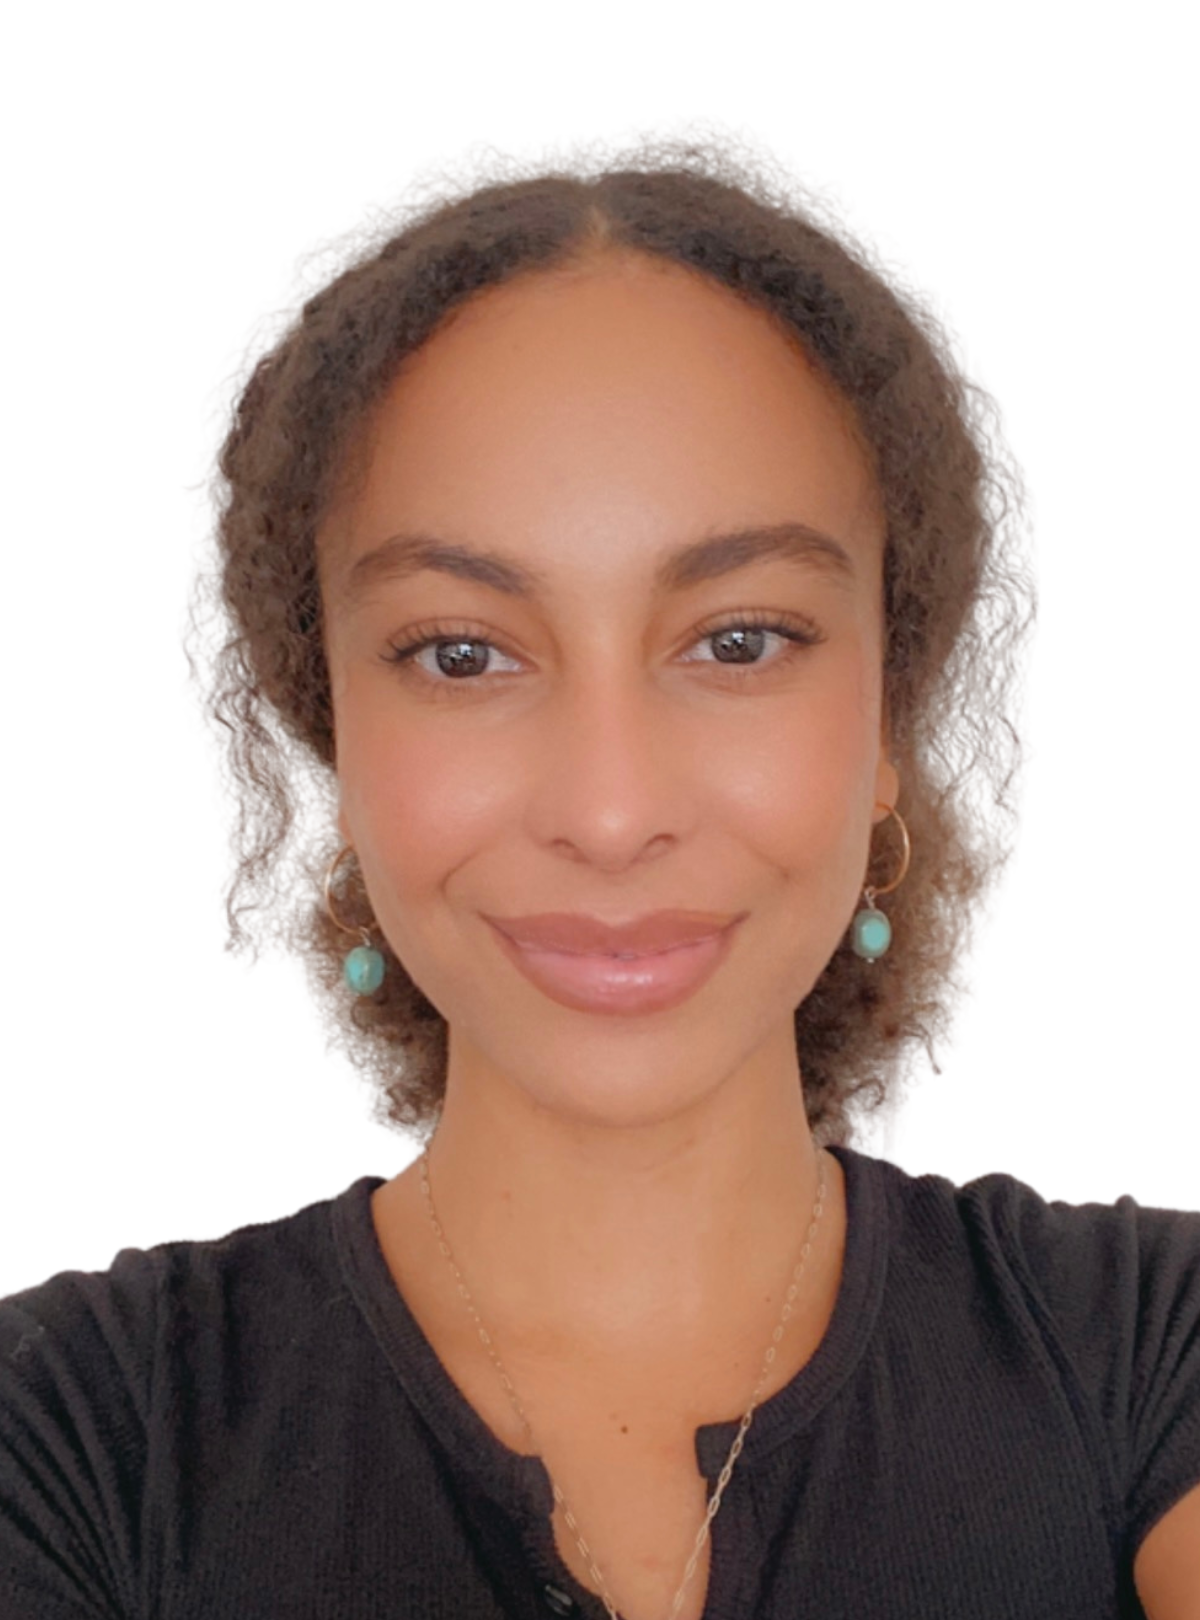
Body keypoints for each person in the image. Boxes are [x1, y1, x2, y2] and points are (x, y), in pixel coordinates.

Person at [2, 141, 1198, 1620]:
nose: (612, 811)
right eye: (462, 654)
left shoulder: (1159, 1356)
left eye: (741, 641)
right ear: (342, 738)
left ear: (891, 721)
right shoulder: (60, 1436)